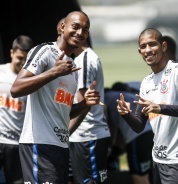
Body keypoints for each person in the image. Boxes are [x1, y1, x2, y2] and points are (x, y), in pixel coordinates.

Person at [10, 11, 102, 184]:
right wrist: (53, 72)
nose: (80, 33)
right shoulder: (45, 51)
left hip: (60, 147)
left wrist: (84, 104)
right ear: (62, 27)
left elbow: (63, 112)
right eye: (75, 27)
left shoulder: (73, 67)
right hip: (39, 144)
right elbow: (16, 88)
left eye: (85, 29)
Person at [117, 28, 178, 184]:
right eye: (143, 46)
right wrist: (125, 114)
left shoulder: (177, 70)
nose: (148, 50)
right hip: (158, 159)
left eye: (152, 44)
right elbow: (139, 126)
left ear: (163, 46)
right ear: (139, 51)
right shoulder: (146, 82)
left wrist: (160, 108)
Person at [68, 32, 111, 184]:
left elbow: (84, 105)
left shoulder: (85, 59)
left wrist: (65, 133)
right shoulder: (78, 60)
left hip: (88, 137)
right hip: (81, 137)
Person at [105, 81, 154, 184]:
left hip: (137, 137)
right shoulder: (128, 93)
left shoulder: (107, 98)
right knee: (149, 174)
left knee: (138, 176)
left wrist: (110, 151)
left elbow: (112, 129)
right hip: (150, 133)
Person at [0, 35, 33, 183]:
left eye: (26, 59)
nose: (23, 63)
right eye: (20, 57)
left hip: (17, 145)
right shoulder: (1, 72)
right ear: (11, 53)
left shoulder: (31, 80)